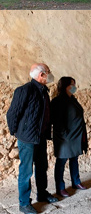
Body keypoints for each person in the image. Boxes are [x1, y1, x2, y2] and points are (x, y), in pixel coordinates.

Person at [6, 63, 58, 214]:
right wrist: (16, 132)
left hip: (40, 138)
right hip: (27, 139)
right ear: (41, 75)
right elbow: (12, 114)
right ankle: (24, 203)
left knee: (42, 167)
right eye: (48, 72)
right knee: (26, 171)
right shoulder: (25, 90)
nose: (50, 74)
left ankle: (42, 193)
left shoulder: (43, 91)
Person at [51, 77, 88, 198]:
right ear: (65, 86)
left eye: (74, 84)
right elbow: (56, 120)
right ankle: (60, 188)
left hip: (76, 136)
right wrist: (64, 135)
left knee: (74, 159)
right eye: (72, 84)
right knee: (61, 161)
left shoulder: (73, 99)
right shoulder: (57, 101)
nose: (74, 87)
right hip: (65, 137)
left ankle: (76, 182)